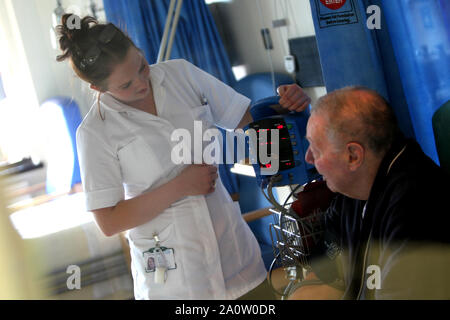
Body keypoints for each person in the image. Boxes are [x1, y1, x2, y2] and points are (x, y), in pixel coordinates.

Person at [56, 14, 311, 300]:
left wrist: (288, 105)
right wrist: (181, 185)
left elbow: (249, 121)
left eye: (141, 67)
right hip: (175, 283)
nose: (142, 83)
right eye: (125, 85)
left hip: (238, 264)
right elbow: (109, 221)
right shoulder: (94, 132)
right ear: (98, 89)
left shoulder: (181, 75)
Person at [289, 86, 450, 300]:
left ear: (353, 156)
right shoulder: (351, 194)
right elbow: (323, 278)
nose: (309, 158)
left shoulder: (416, 208)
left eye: (316, 150)